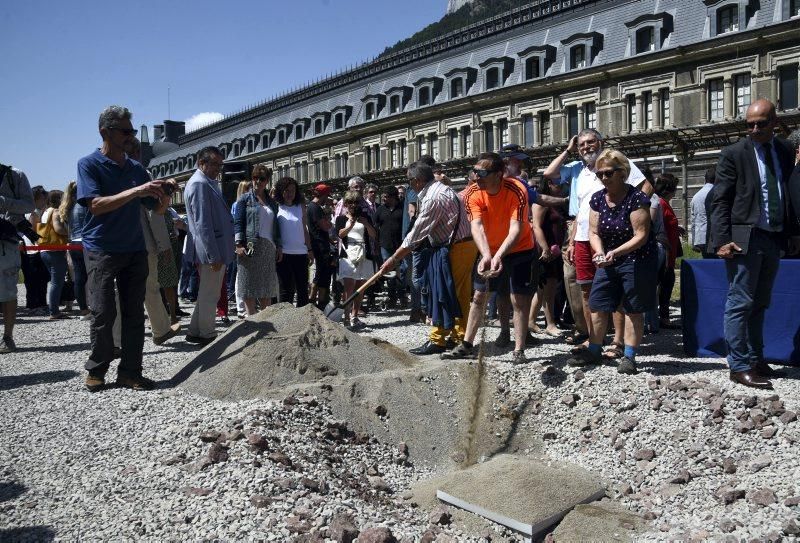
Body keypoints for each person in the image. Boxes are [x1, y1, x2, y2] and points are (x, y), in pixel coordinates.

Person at [709, 99, 800, 389]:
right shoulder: (733, 154)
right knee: (740, 303)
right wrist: (722, 240)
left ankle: (756, 358)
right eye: (750, 124)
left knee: (761, 302)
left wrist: (793, 232)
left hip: (773, 236)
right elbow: (720, 200)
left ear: (775, 122)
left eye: (761, 123)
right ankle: (738, 365)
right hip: (743, 239)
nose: (755, 129)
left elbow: (786, 192)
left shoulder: (784, 150)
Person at [77, 105, 169, 391]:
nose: (131, 136)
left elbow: (155, 209)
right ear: (105, 132)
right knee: (104, 313)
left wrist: (165, 194)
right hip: (102, 249)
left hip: (134, 249)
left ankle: (130, 372)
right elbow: (96, 206)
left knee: (133, 314)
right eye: (125, 131)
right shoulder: (89, 164)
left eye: (132, 130)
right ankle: (97, 368)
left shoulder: (136, 169)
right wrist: (136, 191)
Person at [543, 129, 651, 359]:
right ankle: (593, 338)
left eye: (591, 142)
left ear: (600, 142)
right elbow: (550, 174)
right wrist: (572, 239)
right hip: (584, 236)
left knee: (619, 292)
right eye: (582, 144)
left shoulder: (616, 162)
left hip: (617, 238)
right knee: (589, 291)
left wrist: (632, 211)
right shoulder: (579, 170)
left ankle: (619, 341)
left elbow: (646, 187)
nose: (586, 147)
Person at [566, 149, 657, 374]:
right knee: (597, 303)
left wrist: (615, 252)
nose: (604, 178)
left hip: (636, 258)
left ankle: (629, 356)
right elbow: (594, 231)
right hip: (608, 258)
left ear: (622, 173)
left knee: (632, 308)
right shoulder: (598, 198)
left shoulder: (637, 198)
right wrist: (599, 252)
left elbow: (641, 235)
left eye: (609, 173)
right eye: (600, 174)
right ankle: (595, 350)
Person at [442, 153, 537, 365]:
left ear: (498, 174)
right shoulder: (472, 192)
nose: (476, 177)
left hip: (520, 248)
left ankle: (519, 349)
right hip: (490, 248)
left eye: (482, 173)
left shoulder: (517, 189)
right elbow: (477, 226)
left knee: (518, 299)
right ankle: (467, 344)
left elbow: (516, 228)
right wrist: (486, 254)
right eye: (474, 172)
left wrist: (499, 255)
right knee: (478, 296)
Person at [380, 162, 476, 354]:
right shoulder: (443, 189)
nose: (408, 185)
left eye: (409, 181)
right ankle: (457, 335)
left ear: (417, 181)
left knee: (442, 293)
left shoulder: (433, 198)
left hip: (455, 249)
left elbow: (416, 234)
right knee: (460, 295)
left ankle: (438, 339)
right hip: (465, 245)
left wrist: (394, 259)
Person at [127, 138, 181, 346]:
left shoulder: (107, 174)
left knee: (123, 291)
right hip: (142, 242)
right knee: (149, 286)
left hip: (118, 242)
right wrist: (163, 245)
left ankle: (115, 341)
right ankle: (159, 330)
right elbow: (155, 214)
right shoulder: (142, 176)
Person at [183, 146, 234, 346]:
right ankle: (207, 333)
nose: (218, 169)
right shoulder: (199, 184)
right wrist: (213, 255)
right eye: (214, 164)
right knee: (210, 293)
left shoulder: (204, 182)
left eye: (220, 165)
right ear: (200, 163)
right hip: (211, 250)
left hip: (212, 247)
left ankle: (195, 331)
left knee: (207, 291)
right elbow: (202, 223)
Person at [233, 165, 281, 315]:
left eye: (262, 179)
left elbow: (276, 226)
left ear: (267, 181)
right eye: (255, 178)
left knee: (266, 287)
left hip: (268, 247)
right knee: (249, 284)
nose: (257, 181)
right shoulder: (244, 199)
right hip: (251, 244)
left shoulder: (272, 202)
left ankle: (265, 319)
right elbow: (238, 222)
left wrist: (279, 246)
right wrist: (239, 244)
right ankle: (251, 318)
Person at [0, 163, 34, 352]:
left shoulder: (15, 176)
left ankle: (8, 336)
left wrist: (3, 201)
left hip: (6, 242)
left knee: (8, 291)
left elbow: (29, 205)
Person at [529, 176, 568, 336]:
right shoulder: (541, 202)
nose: (562, 186)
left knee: (542, 289)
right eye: (559, 183)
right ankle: (550, 323)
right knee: (549, 288)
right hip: (546, 250)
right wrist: (545, 248)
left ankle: (531, 321)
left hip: (554, 249)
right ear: (550, 184)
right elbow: (537, 227)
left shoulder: (554, 203)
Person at [336, 190, 377, 329]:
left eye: (356, 202)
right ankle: (346, 318)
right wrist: (351, 225)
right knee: (348, 288)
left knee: (361, 288)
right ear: (346, 204)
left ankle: (355, 316)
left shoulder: (365, 217)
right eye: (350, 202)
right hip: (348, 255)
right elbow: (340, 235)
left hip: (364, 254)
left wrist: (366, 224)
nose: (353, 205)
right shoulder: (341, 218)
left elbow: (373, 235)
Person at [274, 176, 313, 307]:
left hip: (301, 252)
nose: (290, 194)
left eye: (292, 190)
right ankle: (286, 320)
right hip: (283, 253)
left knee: (302, 289)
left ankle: (303, 320)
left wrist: (309, 249)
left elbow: (304, 228)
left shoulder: (300, 206)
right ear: (281, 191)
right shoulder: (276, 207)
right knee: (286, 289)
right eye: (286, 190)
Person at [653, 174, 681, 330]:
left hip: (669, 252)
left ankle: (662, 317)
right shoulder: (661, 203)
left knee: (667, 284)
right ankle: (663, 319)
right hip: (664, 253)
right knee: (665, 284)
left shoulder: (664, 203)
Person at [37, 190, 69, 319]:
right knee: (57, 282)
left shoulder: (45, 212)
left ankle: (54, 309)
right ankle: (54, 311)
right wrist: (70, 232)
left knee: (54, 281)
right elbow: (58, 229)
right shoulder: (55, 212)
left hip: (44, 250)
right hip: (55, 250)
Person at [59, 181, 89, 318]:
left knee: (79, 278)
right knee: (93, 276)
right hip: (86, 243)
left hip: (73, 244)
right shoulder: (85, 204)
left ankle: (83, 309)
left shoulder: (68, 207)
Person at [374, 185, 405, 308]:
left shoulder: (402, 208)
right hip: (385, 245)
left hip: (401, 245)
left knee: (402, 271)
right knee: (389, 273)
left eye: (386, 197)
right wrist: (376, 244)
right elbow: (375, 226)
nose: (383, 199)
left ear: (393, 197)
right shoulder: (380, 210)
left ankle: (402, 296)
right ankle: (392, 298)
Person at [21, 185, 49, 312]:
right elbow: (34, 232)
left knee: (34, 279)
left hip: (31, 249)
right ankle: (36, 304)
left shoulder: (31, 211)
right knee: (37, 279)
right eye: (43, 198)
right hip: (34, 250)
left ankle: (35, 303)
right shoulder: (33, 212)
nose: (45, 200)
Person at [307, 183, 334, 310]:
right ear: (323, 195)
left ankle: (321, 302)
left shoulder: (313, 207)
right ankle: (312, 300)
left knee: (324, 273)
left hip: (321, 242)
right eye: (327, 195)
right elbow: (324, 226)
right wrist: (330, 223)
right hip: (319, 244)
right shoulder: (315, 208)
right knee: (320, 272)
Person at [691, 166, 717, 259]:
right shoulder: (717, 193)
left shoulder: (696, 196)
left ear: (705, 179)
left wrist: (694, 241)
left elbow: (693, 221)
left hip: (700, 237)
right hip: (714, 237)